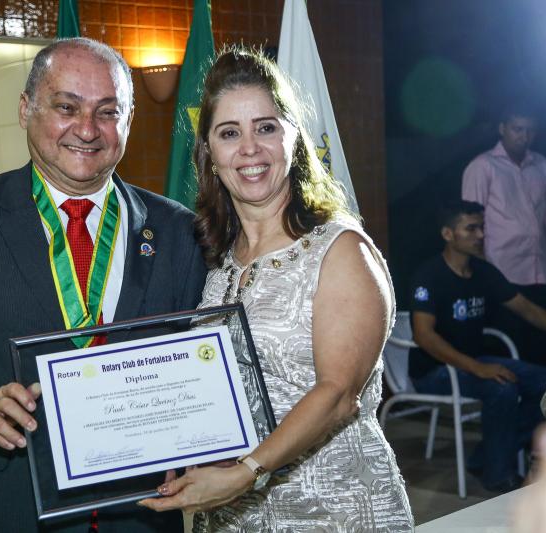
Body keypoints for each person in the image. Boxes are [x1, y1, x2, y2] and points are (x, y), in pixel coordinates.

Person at [0, 38, 207, 533]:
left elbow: (198, 362)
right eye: (66, 107)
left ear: (129, 121)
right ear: (26, 109)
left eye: (108, 112)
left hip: (140, 514)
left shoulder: (177, 229)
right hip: (7, 507)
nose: (87, 129)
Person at [139, 47, 413, 531]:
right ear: (209, 154)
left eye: (265, 127)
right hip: (231, 515)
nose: (249, 148)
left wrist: (246, 472)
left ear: (293, 138)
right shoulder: (217, 263)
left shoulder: (339, 250)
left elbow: (339, 394)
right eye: (229, 133)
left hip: (334, 510)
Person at [409, 200, 546, 492]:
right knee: (502, 388)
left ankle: (486, 456)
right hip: (434, 370)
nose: (480, 235)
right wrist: (478, 368)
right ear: (448, 234)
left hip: (475, 361)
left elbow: (527, 310)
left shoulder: (483, 272)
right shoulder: (429, 276)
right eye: (471, 228)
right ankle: (497, 474)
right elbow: (424, 336)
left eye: (482, 228)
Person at [461, 106, 546, 366]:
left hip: (542, 273)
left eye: (530, 130)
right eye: (518, 129)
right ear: (502, 129)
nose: (524, 136)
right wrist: (483, 275)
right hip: (503, 273)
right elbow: (469, 225)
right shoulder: (483, 166)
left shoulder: (543, 165)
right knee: (511, 351)